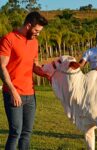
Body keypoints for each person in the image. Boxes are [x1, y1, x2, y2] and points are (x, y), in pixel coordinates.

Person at [0, 11, 50, 150]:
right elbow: (2, 67)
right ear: (28, 25)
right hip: (13, 93)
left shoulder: (34, 42)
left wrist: (47, 74)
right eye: (36, 30)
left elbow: (34, 65)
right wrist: (13, 91)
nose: (38, 33)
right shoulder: (9, 39)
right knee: (15, 132)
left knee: (27, 133)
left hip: (30, 94)